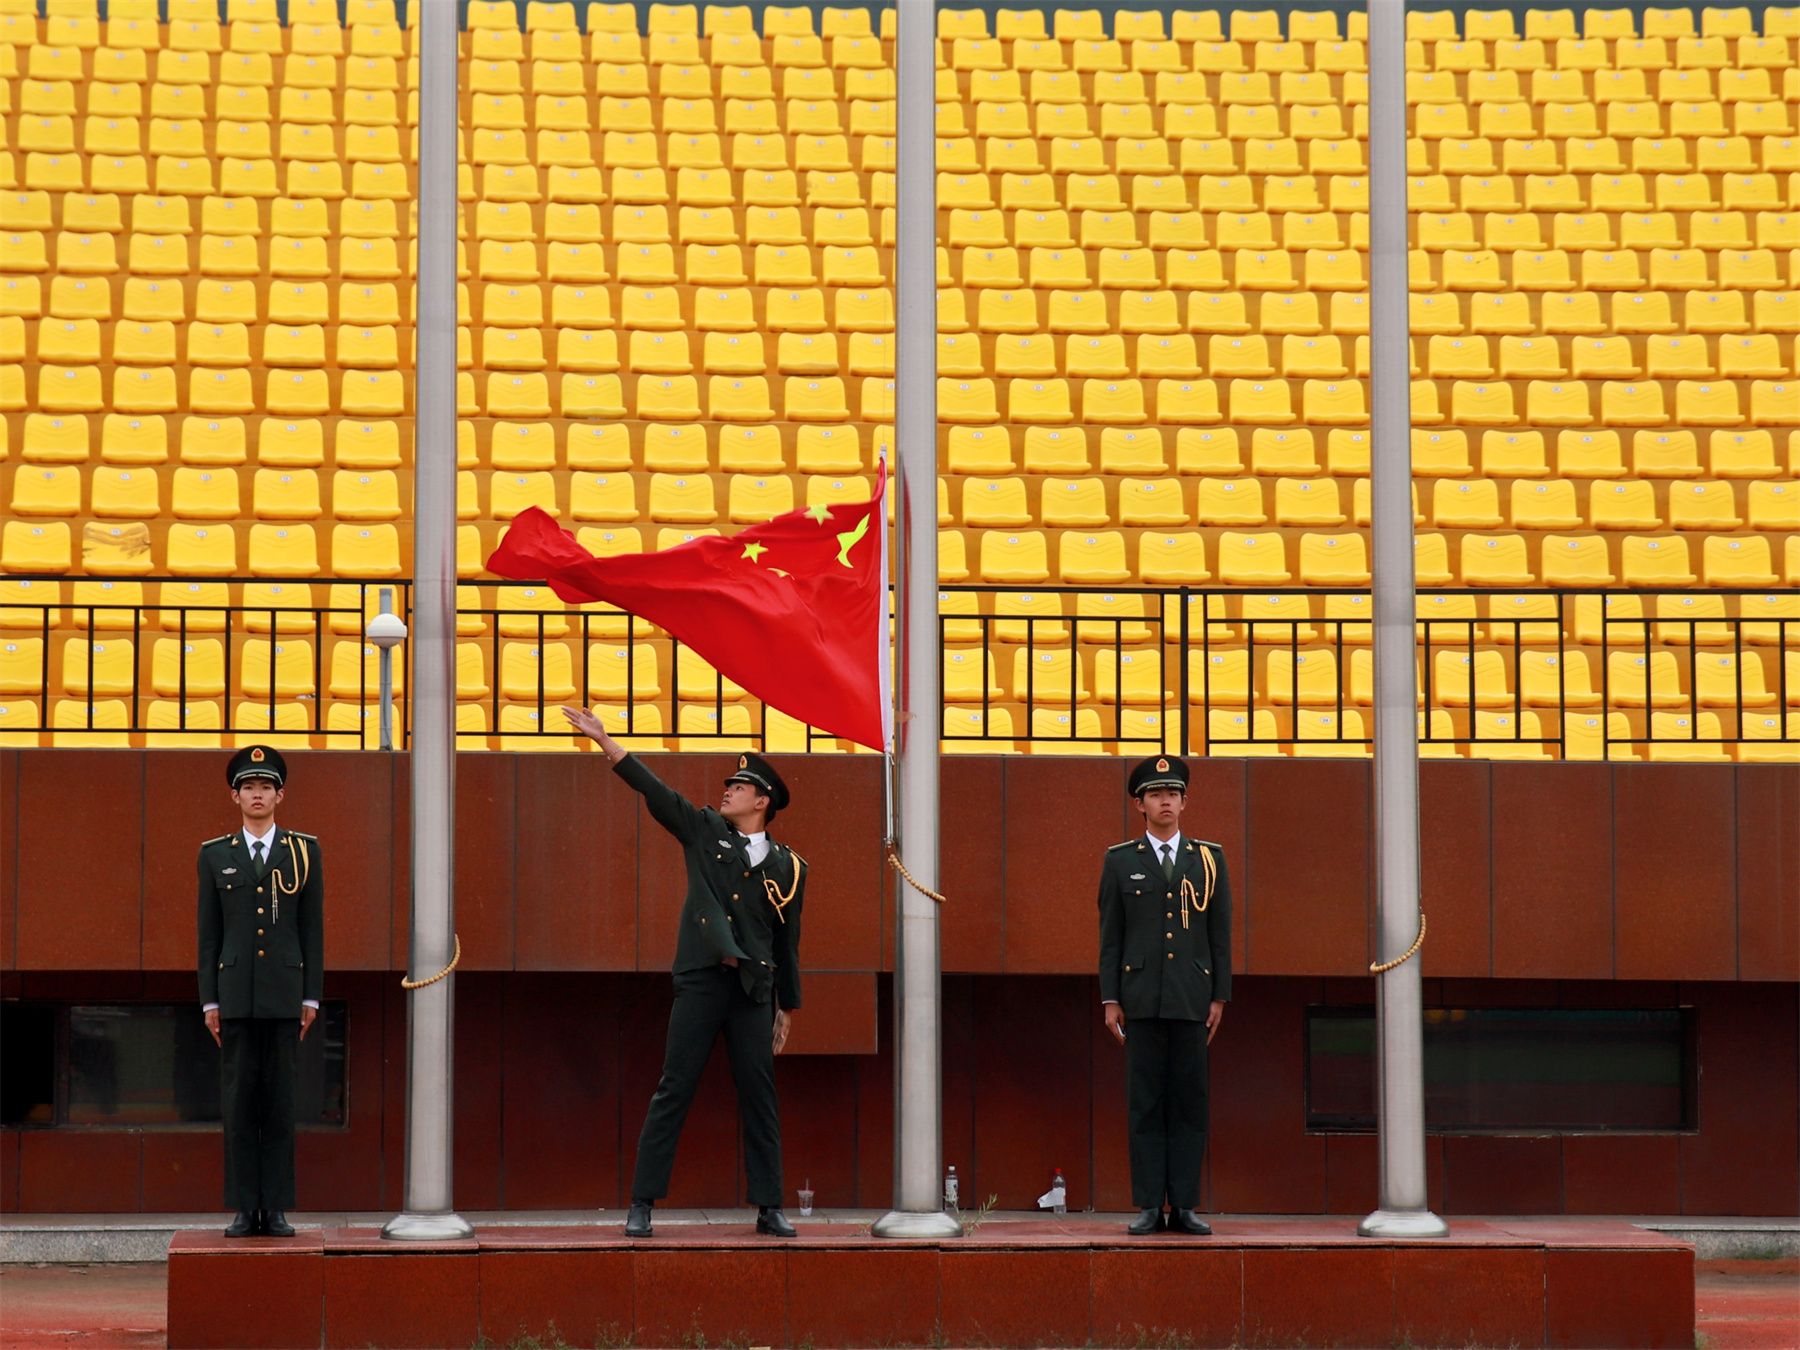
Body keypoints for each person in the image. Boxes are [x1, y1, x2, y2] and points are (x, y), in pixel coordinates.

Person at [564, 707, 805, 1239]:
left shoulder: (789, 866)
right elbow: (656, 793)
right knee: (674, 1088)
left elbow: (787, 941)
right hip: (702, 981)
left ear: (762, 801)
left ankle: (769, 1206)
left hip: (753, 991)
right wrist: (606, 742)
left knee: (760, 1097)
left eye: (739, 786)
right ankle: (642, 1202)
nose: (728, 790)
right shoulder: (705, 830)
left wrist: (786, 1005)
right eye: (729, 784)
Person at [1097, 755, 1232, 1236]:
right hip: (1140, 1000)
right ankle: (1151, 1205)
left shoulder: (1209, 859)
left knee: (1190, 1104)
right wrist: (1110, 998)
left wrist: (1219, 996)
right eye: (1155, 795)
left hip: (1192, 999)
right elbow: (1111, 937)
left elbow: (1220, 934)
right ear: (1141, 805)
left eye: (1173, 794)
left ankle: (1187, 1205)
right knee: (1146, 1105)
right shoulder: (1120, 861)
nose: (1165, 802)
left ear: (1184, 802)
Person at [197, 745, 324, 1238]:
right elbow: (208, 934)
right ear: (235, 796)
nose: (257, 794)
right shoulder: (215, 854)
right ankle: (243, 1207)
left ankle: (275, 1208)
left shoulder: (303, 851)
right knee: (238, 1105)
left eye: (265, 787)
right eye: (248, 787)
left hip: (284, 995)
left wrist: (310, 996)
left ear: (279, 796)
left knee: (280, 1104)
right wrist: (210, 1000)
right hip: (234, 997)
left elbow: (311, 929)